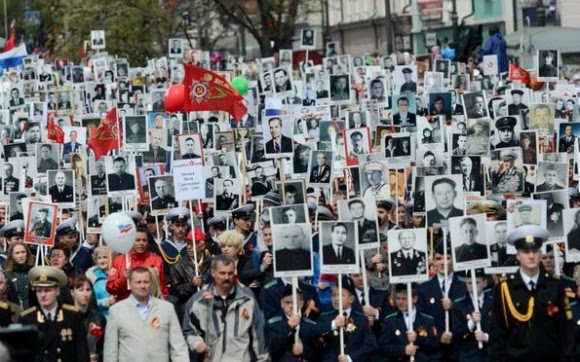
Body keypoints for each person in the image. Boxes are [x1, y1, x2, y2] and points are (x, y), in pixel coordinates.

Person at [489, 225, 575, 360]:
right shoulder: (504, 288)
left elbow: (566, 331)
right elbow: (497, 334)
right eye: (526, 251)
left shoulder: (555, 285)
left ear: (540, 254)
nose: (531, 256)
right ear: (517, 255)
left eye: (535, 251)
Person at [184, 255, 269, 361]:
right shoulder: (198, 301)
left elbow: (258, 333)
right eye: (222, 273)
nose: (226, 277)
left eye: (230, 273)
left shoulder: (247, 298)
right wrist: (196, 343)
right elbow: (188, 330)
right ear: (213, 273)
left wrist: (262, 359)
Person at [104, 266, 188, 362]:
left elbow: (178, 346)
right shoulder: (116, 311)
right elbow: (110, 352)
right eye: (138, 282)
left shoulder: (167, 309)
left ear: (151, 283)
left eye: (146, 282)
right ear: (130, 284)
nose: (142, 286)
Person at [18, 266, 90, 362]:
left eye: (47, 290)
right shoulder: (27, 318)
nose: (43, 295)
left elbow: (82, 353)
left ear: (57, 291)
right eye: (39, 291)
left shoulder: (72, 316)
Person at [417, 241, 468, 360]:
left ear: (454, 260)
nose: (442, 263)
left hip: (460, 349)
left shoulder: (464, 286)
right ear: (433, 261)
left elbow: (470, 316)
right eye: (439, 258)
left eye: (447, 258)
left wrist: (454, 307)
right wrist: (439, 336)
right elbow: (420, 320)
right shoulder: (424, 288)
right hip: (434, 351)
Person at [318, 278, 378, 361]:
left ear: (351, 299)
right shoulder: (325, 317)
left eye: (341, 295)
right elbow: (315, 333)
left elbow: (370, 345)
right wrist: (333, 324)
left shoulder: (361, 319)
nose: (336, 299)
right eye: (334, 295)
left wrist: (350, 358)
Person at [107, 225, 167, 301]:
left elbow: (162, 288)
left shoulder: (157, 260)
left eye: (144, 240)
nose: (141, 243)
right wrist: (123, 279)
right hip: (126, 306)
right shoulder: (118, 261)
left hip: (150, 306)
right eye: (138, 240)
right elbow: (110, 288)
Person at [380, 283, 438, 361]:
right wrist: (403, 350)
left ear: (414, 299)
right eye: (398, 298)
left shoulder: (427, 320)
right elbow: (383, 347)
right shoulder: (390, 321)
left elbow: (434, 346)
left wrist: (418, 338)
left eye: (404, 299)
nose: (400, 302)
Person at [265, 285, 323, 361]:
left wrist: (304, 350)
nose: (291, 306)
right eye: (287, 302)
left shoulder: (310, 325)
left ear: (301, 304)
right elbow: (271, 348)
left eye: (295, 302)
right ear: (282, 303)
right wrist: (288, 326)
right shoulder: (272, 325)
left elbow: (319, 354)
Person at [452, 269, 493, 362]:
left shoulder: (494, 302)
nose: (473, 285)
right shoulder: (459, 305)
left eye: (477, 282)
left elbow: (500, 331)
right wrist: (472, 322)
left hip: (491, 356)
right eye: (470, 283)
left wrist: (486, 337)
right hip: (469, 356)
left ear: (485, 283)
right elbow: (456, 335)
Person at [85, 246, 115, 320]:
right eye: (99, 258)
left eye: (105, 257)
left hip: (118, 317)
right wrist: (106, 302)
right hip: (99, 318)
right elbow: (88, 301)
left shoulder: (117, 273)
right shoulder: (91, 276)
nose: (102, 261)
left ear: (111, 258)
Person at [3, 242, 33, 309]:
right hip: (14, 310)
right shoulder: (7, 274)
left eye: (23, 252)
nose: (21, 255)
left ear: (27, 253)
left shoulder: (33, 272)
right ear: (12, 256)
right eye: (17, 253)